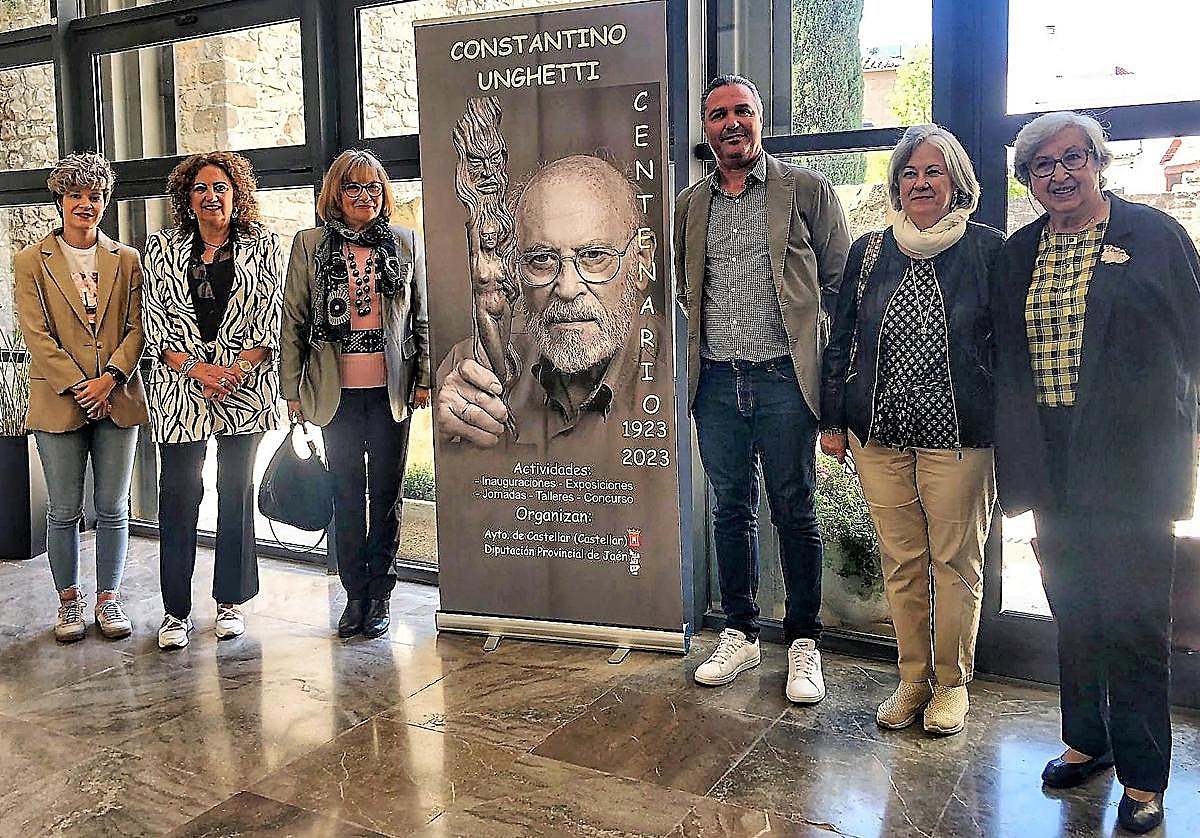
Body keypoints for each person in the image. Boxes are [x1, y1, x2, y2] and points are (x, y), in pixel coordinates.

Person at [992, 111, 1200, 834]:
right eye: (1041, 165)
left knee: (1136, 621)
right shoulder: (1018, 253)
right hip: (1053, 463)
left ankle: (1144, 777)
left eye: (1072, 158)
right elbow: (1007, 360)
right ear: (1027, 178)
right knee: (1074, 610)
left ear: (1098, 162)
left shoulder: (1156, 237)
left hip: (1134, 465)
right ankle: (1089, 738)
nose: (1059, 174)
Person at [820, 125, 1003, 735]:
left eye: (933, 171)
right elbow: (841, 340)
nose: (920, 183)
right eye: (910, 173)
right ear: (897, 185)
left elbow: (1008, 347)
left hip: (960, 437)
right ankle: (912, 679)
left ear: (957, 183)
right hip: (880, 435)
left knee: (955, 563)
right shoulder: (870, 251)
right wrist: (833, 420)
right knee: (901, 562)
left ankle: (951, 684)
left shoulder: (987, 250)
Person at [674, 74, 850, 703]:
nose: (731, 123)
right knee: (729, 509)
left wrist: (835, 385)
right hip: (717, 382)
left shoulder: (805, 190)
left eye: (742, 111)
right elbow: (684, 290)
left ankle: (803, 641)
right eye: (718, 114)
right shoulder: (691, 206)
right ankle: (740, 632)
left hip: (783, 379)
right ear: (706, 129)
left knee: (794, 510)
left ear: (760, 119)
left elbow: (840, 285)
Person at [280, 148, 430, 639]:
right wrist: (291, 389)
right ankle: (354, 595)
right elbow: (294, 319)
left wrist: (425, 377)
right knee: (347, 494)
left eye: (373, 187)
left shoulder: (406, 242)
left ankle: (381, 593)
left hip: (391, 392)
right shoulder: (310, 244)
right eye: (353, 187)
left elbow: (421, 315)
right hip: (335, 392)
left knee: (386, 495)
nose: (365, 196)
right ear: (336, 194)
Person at [141, 151, 284, 650]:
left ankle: (230, 601)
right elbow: (154, 320)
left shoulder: (263, 245)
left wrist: (235, 370)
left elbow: (272, 314)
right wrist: (197, 370)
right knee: (179, 494)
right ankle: (175, 611)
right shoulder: (160, 247)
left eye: (220, 187)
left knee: (235, 490)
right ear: (187, 197)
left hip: (246, 386)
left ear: (236, 193)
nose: (210, 196)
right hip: (180, 388)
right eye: (200, 188)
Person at [434, 153, 661, 456]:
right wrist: (448, 442)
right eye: (541, 259)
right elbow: (455, 475)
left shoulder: (681, 378)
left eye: (594, 256)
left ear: (641, 261)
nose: (567, 288)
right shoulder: (472, 367)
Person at [13, 153, 148, 642]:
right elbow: (36, 334)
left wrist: (108, 379)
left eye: (95, 196)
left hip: (117, 395)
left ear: (106, 201)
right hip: (58, 399)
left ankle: (109, 600)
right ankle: (68, 602)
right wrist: (79, 385)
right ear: (60, 200)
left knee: (114, 506)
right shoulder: (31, 261)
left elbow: (140, 325)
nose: (85, 204)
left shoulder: (127, 259)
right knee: (64, 509)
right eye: (76, 195)